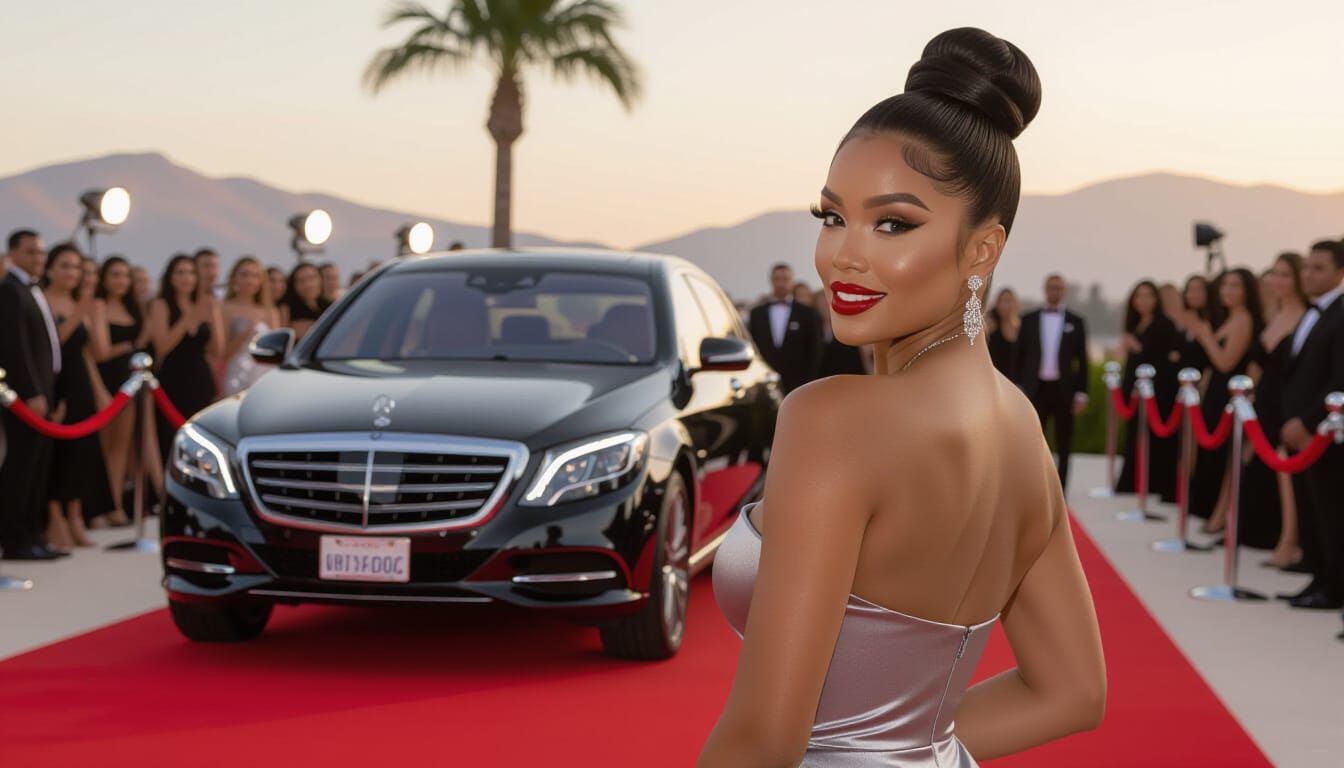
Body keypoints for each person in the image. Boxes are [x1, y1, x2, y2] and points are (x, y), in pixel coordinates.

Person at [701, 28, 1104, 766]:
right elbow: (1071, 692)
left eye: (893, 223)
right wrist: (908, 746)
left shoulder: (832, 420)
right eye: (832, 216)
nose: (843, 255)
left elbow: (765, 738)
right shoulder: (1021, 429)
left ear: (982, 249)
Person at [1276, 240, 1344, 613]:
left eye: (1319, 268)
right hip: (1298, 431)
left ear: (1339, 272)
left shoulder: (1340, 314)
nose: (1309, 275)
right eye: (1307, 267)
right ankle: (1318, 578)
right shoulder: (1312, 312)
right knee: (1311, 509)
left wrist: (1307, 421)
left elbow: (1339, 378)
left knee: (1331, 511)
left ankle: (1334, 587)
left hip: (1325, 433)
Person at [0, 230, 66, 560]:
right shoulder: (10, 290)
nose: (38, 258)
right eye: (31, 252)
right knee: (21, 468)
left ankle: (33, 535)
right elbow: (14, 346)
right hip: (26, 397)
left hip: (45, 391)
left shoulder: (32, 289)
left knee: (38, 467)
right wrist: (31, 392)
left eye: (41, 252)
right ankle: (16, 541)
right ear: (12, 254)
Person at [41, 244, 110, 549]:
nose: (72, 272)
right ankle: (54, 517)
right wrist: (81, 309)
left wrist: (100, 391)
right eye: (65, 266)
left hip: (81, 382)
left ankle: (75, 515)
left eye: (76, 267)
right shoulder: (43, 300)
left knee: (83, 451)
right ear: (50, 269)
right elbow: (52, 345)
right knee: (59, 453)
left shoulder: (80, 303)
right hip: (55, 383)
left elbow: (93, 353)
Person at [1185, 268, 1262, 534]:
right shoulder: (1230, 318)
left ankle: (1220, 516)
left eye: (1235, 285)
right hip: (1217, 392)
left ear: (1247, 291)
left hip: (1230, 395)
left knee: (1226, 458)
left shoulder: (1243, 320)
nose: (1227, 290)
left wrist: (1204, 335)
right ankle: (1212, 512)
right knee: (1214, 456)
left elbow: (1225, 362)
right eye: (1225, 285)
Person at [1247, 253, 1308, 563]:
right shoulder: (1272, 314)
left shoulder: (1307, 317)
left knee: (1287, 473)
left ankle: (1290, 542)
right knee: (1263, 471)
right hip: (1262, 400)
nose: (1278, 280)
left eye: (1285, 274)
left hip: (1286, 401)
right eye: (1275, 274)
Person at [1014, 274, 1090, 492]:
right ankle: (1035, 488)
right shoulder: (1028, 319)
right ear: (1045, 290)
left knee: (1064, 442)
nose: (1054, 291)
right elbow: (1019, 356)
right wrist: (1017, 388)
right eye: (1051, 287)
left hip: (1064, 390)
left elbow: (1082, 361)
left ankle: (1061, 491)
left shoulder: (1076, 321)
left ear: (1064, 291)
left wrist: (1081, 393)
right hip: (1035, 389)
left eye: (1058, 287)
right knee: (1034, 441)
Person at [148, 254, 224, 466]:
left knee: (201, 441)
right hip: (172, 380)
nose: (186, 278)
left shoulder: (205, 304)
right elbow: (162, 347)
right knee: (170, 439)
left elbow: (217, 350)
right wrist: (189, 318)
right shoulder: (161, 305)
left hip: (200, 378)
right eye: (180, 272)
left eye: (191, 273)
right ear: (170, 277)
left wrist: (213, 315)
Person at [91, 256, 146, 527]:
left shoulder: (132, 308)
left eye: (125, 275)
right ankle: (97, 508)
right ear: (104, 278)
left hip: (129, 383)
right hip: (107, 381)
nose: (121, 281)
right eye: (115, 274)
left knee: (121, 448)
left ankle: (115, 505)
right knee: (103, 447)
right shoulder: (98, 305)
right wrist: (126, 347)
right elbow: (100, 352)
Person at [1114, 280, 1178, 502]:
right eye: (1139, 296)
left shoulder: (1164, 325)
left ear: (1156, 299)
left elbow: (1161, 360)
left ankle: (1152, 485)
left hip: (1156, 395)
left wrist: (1136, 347)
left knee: (1153, 442)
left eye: (1148, 295)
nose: (1143, 301)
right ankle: (1132, 482)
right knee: (1134, 438)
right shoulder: (1136, 324)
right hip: (1135, 393)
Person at [747, 263, 824, 394]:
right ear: (771, 281)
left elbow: (816, 351)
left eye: (785, 279)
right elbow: (753, 347)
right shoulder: (757, 314)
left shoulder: (808, 314)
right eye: (777, 279)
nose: (781, 284)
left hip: (799, 385)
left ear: (792, 282)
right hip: (765, 383)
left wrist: (809, 382)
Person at [220, 257, 280, 396]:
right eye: (244, 274)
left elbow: (277, 351)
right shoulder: (225, 308)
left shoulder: (270, 311)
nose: (250, 280)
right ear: (234, 278)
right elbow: (221, 352)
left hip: (263, 374)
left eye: (255, 276)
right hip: (236, 374)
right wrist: (246, 333)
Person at [812, 289, 869, 376]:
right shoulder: (813, 329)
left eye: (828, 303)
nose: (826, 307)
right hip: (822, 378)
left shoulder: (848, 327)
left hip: (849, 375)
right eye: (822, 304)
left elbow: (862, 355)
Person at [279, 262, 331, 341]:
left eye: (312, 278)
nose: (308, 285)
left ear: (321, 280)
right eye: (301, 281)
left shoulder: (331, 306)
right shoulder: (286, 309)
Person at [986, 286, 1020, 377]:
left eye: (1010, 301)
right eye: (1004, 301)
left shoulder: (1021, 326)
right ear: (997, 304)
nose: (1008, 305)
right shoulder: (990, 325)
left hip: (1014, 379)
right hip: (993, 376)